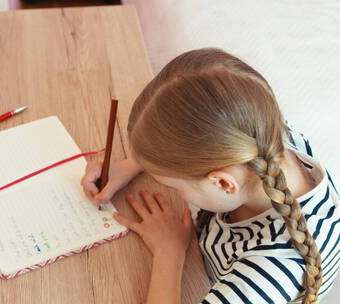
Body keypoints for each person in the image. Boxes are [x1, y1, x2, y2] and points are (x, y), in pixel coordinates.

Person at [81, 48, 339, 304]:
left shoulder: (270, 270)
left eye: (171, 183)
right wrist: (140, 159)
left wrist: (168, 252)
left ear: (223, 183)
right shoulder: (266, 136)